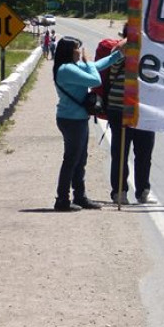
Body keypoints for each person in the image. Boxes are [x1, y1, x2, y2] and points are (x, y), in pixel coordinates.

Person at [52, 34, 125, 211]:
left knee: (80, 159)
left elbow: (98, 66)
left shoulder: (73, 66)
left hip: (78, 119)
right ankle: (62, 199)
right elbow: (95, 79)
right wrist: (88, 63)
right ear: (70, 51)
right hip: (71, 120)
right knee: (71, 159)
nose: (80, 51)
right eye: (77, 48)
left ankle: (80, 196)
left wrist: (117, 54)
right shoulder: (66, 69)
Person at [104, 24, 157, 205]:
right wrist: (133, 37)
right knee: (120, 153)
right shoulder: (119, 50)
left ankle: (143, 191)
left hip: (144, 111)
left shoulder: (151, 54)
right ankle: (119, 192)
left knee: (144, 154)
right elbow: (120, 52)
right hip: (119, 108)